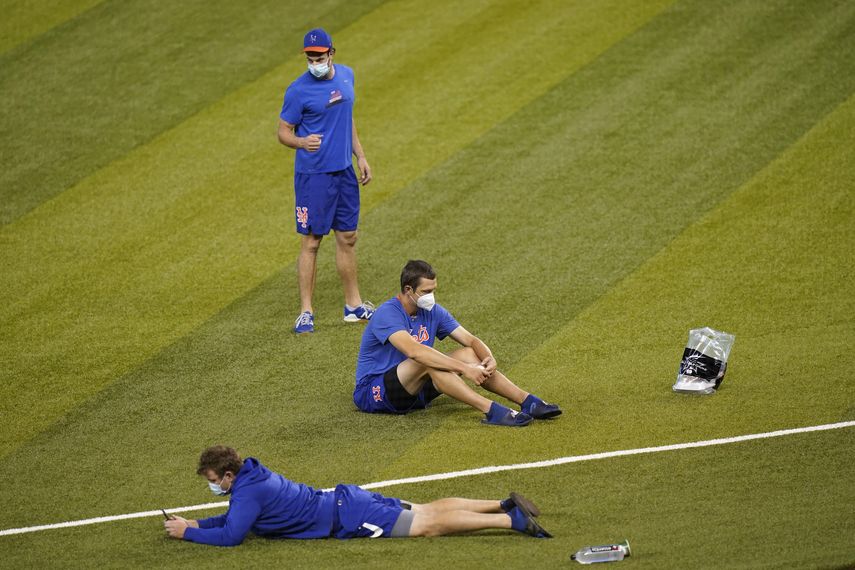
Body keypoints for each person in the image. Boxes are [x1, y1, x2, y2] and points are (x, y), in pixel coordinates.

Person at [164, 446, 552, 545]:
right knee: (427, 509)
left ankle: (509, 519)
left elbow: (233, 536)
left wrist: (189, 533)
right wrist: (199, 522)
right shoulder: (252, 478)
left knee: (428, 526)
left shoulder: (247, 491)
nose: (213, 485)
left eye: (214, 479)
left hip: (349, 517)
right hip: (346, 499)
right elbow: (234, 520)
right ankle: (501, 504)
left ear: (228, 475)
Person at [353, 260, 562, 427]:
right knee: (428, 359)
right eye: (426, 292)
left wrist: (488, 358)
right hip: (375, 392)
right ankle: (491, 410)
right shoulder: (387, 313)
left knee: (470, 353)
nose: (431, 297)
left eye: (433, 290)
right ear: (408, 289)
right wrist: (465, 370)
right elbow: (414, 352)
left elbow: (470, 339)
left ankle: (527, 401)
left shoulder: (432, 311)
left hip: (416, 391)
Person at [277, 28, 375, 334]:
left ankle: (353, 306)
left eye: (318, 56)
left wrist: (360, 155)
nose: (314, 61)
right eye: (309, 56)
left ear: (331, 53)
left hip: (343, 171)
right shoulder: (297, 90)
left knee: (348, 238)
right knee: (312, 242)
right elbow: (283, 131)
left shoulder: (347, 75)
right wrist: (301, 142)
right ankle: (306, 312)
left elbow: (347, 118)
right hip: (313, 176)